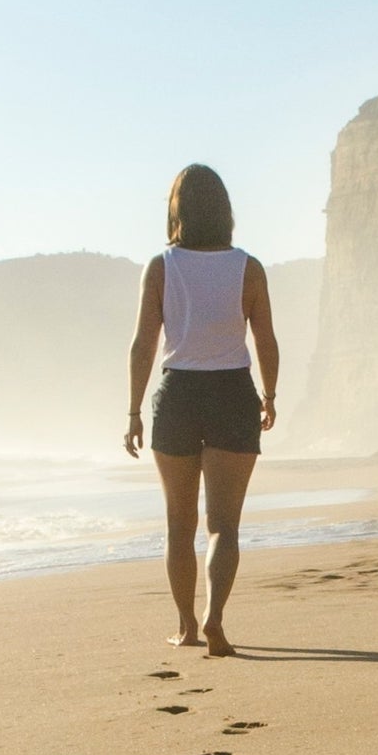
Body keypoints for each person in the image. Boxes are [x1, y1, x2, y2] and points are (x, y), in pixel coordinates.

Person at [124, 163, 278, 656]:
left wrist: (132, 412)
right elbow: (267, 341)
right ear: (225, 211)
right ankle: (216, 619)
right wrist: (270, 396)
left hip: (179, 395)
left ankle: (187, 625)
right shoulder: (247, 268)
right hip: (233, 392)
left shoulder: (162, 266)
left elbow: (142, 346)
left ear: (177, 210)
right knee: (224, 526)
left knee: (179, 523)